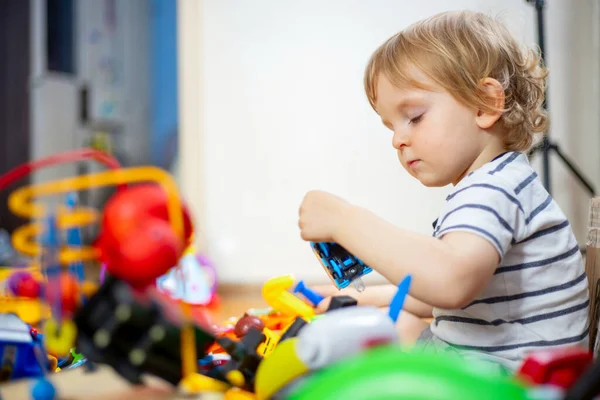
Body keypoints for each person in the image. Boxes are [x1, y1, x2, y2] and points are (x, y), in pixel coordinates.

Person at [297, 10, 590, 372]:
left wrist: (346, 222)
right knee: (392, 327)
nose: (397, 139)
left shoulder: (494, 190)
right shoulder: (500, 181)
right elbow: (446, 300)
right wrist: (356, 299)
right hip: (492, 364)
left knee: (349, 365)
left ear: (486, 103)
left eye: (414, 117)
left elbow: (449, 283)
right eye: (390, 125)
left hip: (508, 380)